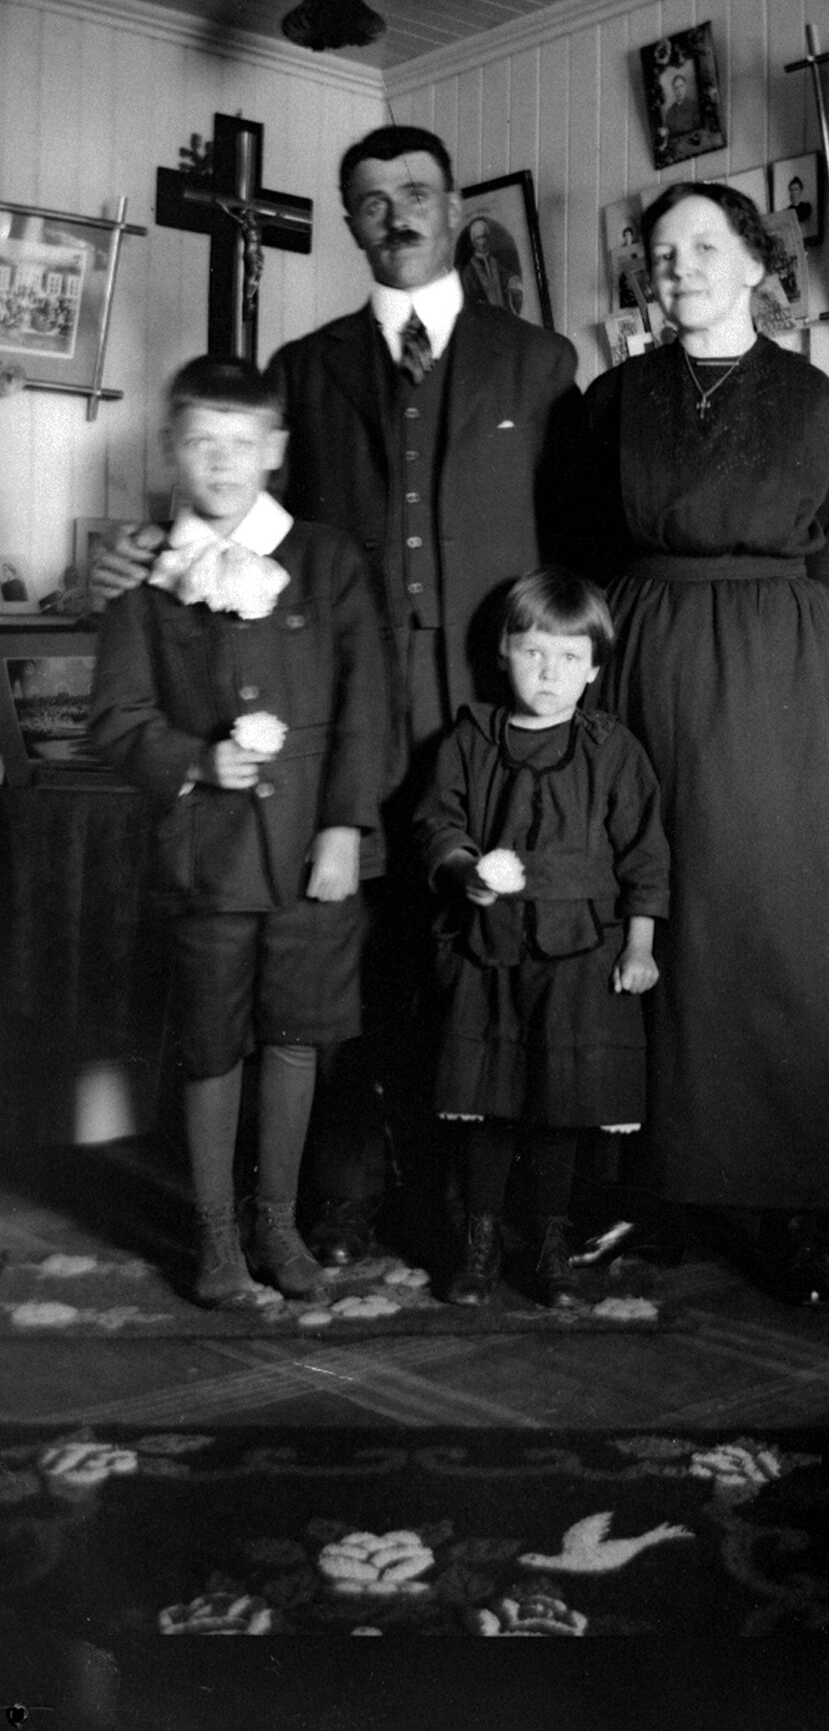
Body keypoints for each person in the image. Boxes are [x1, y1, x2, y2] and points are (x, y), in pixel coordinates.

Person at [93, 125, 583, 1270]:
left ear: (453, 203)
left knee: (480, 946)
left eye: (415, 193)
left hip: (484, 714)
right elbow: (252, 546)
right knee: (346, 964)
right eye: (369, 202)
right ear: (352, 222)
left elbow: (568, 553)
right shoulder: (307, 370)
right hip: (345, 724)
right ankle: (340, 1201)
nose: (395, 215)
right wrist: (134, 554)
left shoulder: (539, 361)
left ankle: (483, 1209)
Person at [578, 180, 829, 1308]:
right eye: (661, 251)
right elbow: (579, 539)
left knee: (771, 921)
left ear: (755, 262)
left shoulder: (814, 404)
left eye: (704, 245)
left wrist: (760, 638)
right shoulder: (610, 399)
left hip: (772, 672)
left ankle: (784, 1199)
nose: (680, 265)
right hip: (641, 657)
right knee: (650, 907)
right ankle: (655, 1187)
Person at [88, 356, 386, 1308]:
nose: (223, 463)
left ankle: (279, 1226)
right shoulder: (146, 578)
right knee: (213, 1041)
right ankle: (217, 1242)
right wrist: (191, 761)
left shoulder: (329, 560)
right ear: (174, 451)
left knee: (297, 1034)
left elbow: (365, 708)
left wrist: (345, 829)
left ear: (277, 452)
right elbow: (118, 720)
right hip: (204, 858)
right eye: (202, 443)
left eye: (242, 443)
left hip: (308, 855)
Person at [414, 567, 669, 1309]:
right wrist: (465, 870)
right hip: (488, 948)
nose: (548, 673)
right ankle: (480, 1243)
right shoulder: (470, 740)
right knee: (489, 1100)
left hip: (584, 950)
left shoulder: (612, 749)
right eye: (532, 653)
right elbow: (439, 825)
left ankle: (551, 1246)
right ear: (503, 653)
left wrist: (641, 946)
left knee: (561, 1103)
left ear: (593, 670)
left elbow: (645, 856)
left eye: (567, 658)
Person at [459, 216, 523, 315]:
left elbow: (505, 276)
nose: (482, 242)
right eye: (479, 238)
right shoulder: (469, 270)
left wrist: (512, 279)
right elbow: (469, 296)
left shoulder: (493, 262)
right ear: (473, 242)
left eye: (484, 237)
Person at [663, 71, 699, 136]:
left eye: (681, 86)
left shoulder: (694, 106)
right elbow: (667, 132)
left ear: (685, 87)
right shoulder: (670, 111)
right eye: (676, 88)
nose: (679, 90)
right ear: (673, 90)